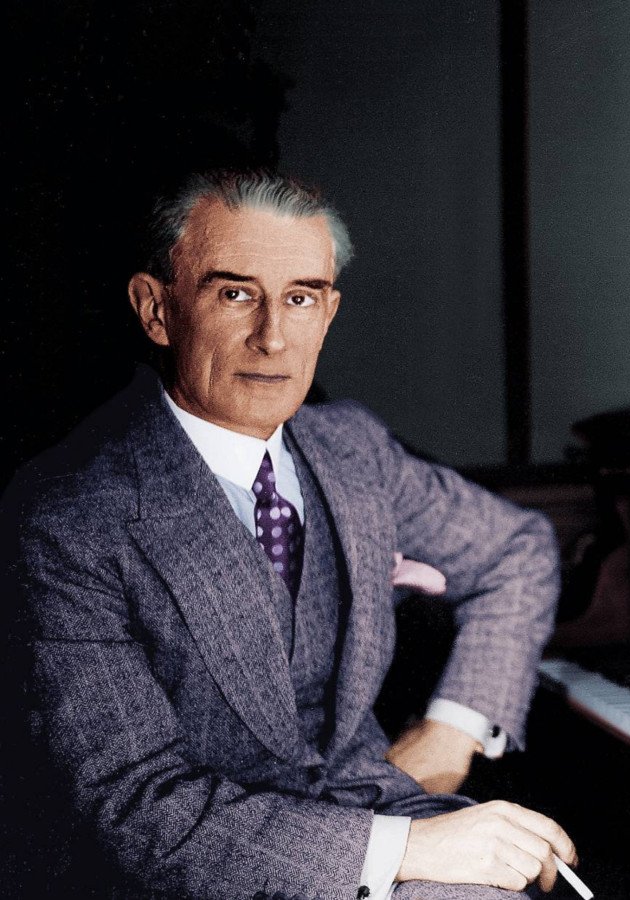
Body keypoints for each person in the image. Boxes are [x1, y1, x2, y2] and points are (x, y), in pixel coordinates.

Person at [2, 170, 577, 899]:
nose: (273, 337)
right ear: (157, 310)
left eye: (301, 298)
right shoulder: (68, 513)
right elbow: (136, 807)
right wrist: (405, 847)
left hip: (380, 814)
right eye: (235, 294)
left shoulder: (350, 449)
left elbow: (515, 550)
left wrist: (452, 731)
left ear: (328, 312)